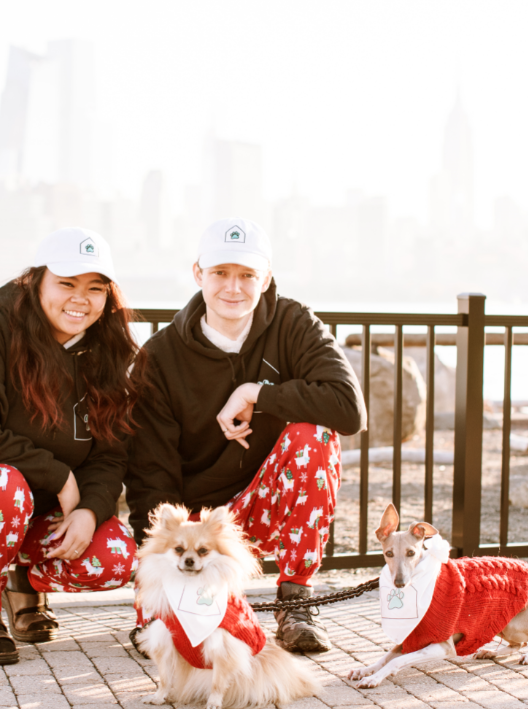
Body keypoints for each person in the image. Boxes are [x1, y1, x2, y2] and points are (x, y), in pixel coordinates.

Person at [125, 217, 367, 653]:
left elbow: (349, 410)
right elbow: (150, 474)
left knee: (313, 435)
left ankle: (295, 602)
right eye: (220, 272)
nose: (233, 288)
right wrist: (156, 579)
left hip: (264, 504)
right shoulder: (159, 356)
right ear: (198, 273)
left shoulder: (293, 323)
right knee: (170, 639)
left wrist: (258, 393)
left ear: (266, 278)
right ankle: (186, 602)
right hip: (197, 531)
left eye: (247, 275)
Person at [0, 227, 148, 665]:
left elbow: (110, 454)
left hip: (47, 517)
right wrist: (61, 478)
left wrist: (89, 510)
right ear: (36, 281)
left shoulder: (105, 351)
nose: (80, 299)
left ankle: (24, 585)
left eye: (95, 288)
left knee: (116, 555)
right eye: (66, 283)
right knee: (3, 484)